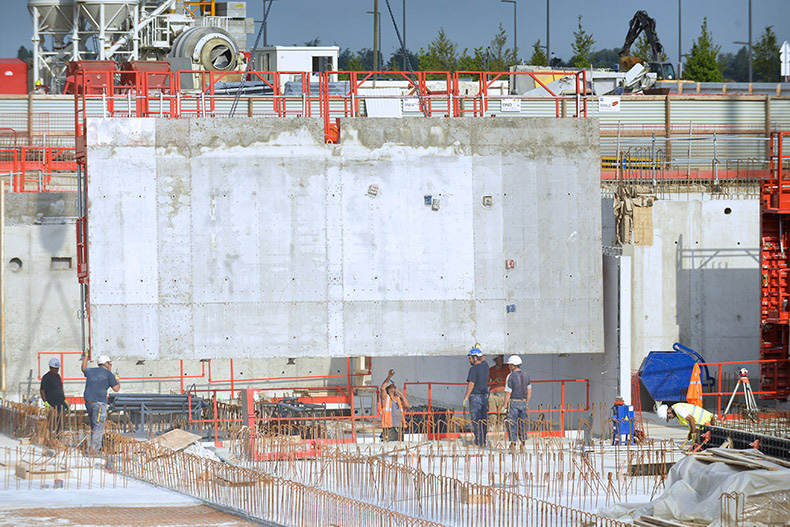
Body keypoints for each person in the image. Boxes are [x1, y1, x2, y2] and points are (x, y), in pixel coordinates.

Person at [81, 353, 120, 455]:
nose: (110, 366)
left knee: (94, 425)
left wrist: (86, 356)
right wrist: (117, 379)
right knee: (99, 426)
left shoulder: (91, 371)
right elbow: (116, 389)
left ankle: (91, 448)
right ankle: (94, 451)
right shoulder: (108, 374)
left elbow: (83, 368)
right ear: (106, 364)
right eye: (110, 364)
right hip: (99, 403)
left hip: (89, 402)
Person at [502, 355, 532, 448]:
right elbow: (529, 390)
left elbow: (508, 392)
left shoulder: (510, 376)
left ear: (513, 365)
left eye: (510, 365)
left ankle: (513, 444)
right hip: (523, 402)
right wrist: (526, 402)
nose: (509, 367)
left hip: (514, 402)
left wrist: (505, 405)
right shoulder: (526, 375)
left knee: (512, 423)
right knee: (522, 423)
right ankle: (523, 443)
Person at [462, 346, 489, 447]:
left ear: (475, 357)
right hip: (485, 397)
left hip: (475, 397)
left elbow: (471, 384)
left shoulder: (473, 369)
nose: (469, 360)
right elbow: (484, 359)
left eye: (470, 358)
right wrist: (479, 349)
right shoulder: (485, 366)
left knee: (476, 420)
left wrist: (466, 397)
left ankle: (478, 441)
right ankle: (483, 440)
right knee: (483, 419)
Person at [379, 369, 410, 442]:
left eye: (394, 387)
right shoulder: (386, 398)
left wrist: (402, 394)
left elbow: (407, 405)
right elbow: (382, 388)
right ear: (389, 389)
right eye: (392, 387)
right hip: (389, 426)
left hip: (399, 426)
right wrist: (389, 376)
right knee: (390, 444)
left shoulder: (398, 398)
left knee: (399, 445)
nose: (394, 389)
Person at [40, 358, 68, 434]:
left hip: (60, 403)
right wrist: (45, 402)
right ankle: (51, 437)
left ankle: (58, 436)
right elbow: (42, 390)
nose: (57, 370)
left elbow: (60, 389)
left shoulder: (58, 377)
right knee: (52, 423)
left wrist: (64, 400)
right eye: (55, 368)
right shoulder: (46, 378)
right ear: (50, 368)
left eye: (57, 368)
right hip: (52, 404)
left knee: (60, 422)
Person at [488, 354, 508, 431]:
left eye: (502, 357)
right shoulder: (491, 370)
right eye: (499, 358)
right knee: (492, 413)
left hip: (504, 395)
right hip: (493, 395)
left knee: (503, 414)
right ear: (495, 359)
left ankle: (502, 430)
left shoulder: (507, 368)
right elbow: (486, 383)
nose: (502, 359)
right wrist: (493, 382)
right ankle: (492, 429)